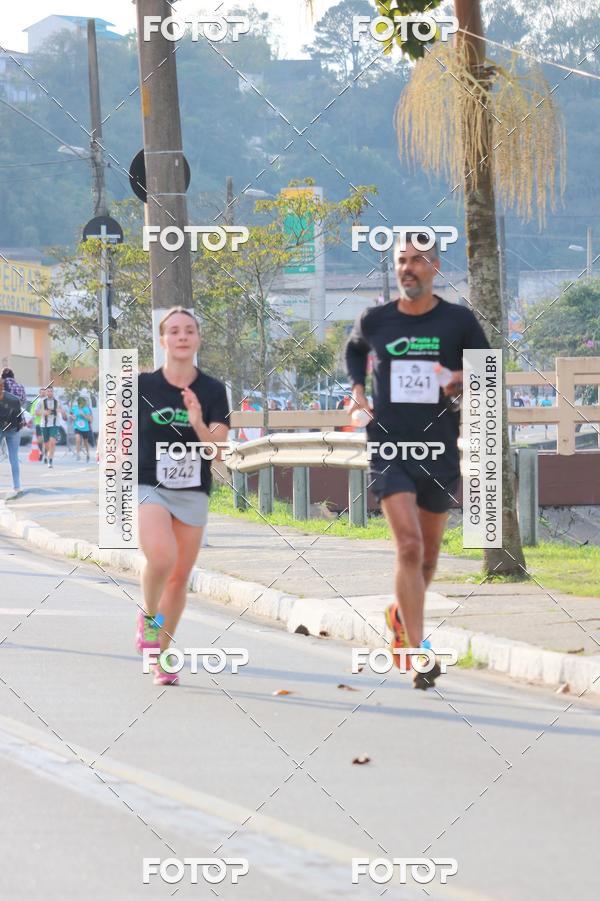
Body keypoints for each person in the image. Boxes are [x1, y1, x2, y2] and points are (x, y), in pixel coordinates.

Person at [345, 233, 489, 690]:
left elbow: (489, 367)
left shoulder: (458, 321)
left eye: (418, 261)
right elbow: (354, 351)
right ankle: (418, 650)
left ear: (435, 269)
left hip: (439, 448)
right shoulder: (376, 319)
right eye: (402, 261)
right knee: (407, 547)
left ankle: (401, 615)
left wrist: (460, 377)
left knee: (427, 558)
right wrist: (358, 391)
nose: (408, 268)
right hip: (390, 448)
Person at [136, 307, 230, 685]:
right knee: (162, 556)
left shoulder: (212, 390)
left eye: (189, 330)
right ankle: (148, 618)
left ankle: (163, 654)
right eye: (173, 331)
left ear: (198, 339)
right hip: (149, 484)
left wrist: (196, 423)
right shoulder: (142, 386)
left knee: (178, 578)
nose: (182, 336)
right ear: (162, 340)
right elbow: (117, 428)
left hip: (192, 489)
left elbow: (217, 450)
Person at [0, 377, 23, 499]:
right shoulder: (14, 399)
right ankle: (17, 487)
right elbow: (20, 418)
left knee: (14, 459)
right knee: (14, 459)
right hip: (14, 430)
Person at [35, 386, 65, 468]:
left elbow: (63, 411)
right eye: (48, 391)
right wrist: (43, 412)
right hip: (44, 424)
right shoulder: (41, 401)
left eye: (51, 391)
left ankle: (50, 461)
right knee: (46, 443)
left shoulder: (58, 401)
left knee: (52, 442)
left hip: (55, 424)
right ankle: (45, 455)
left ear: (53, 392)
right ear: (46, 392)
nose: (49, 393)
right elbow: (36, 412)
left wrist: (62, 412)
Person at [70, 395, 92, 461]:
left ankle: (88, 454)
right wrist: (73, 417)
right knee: (78, 440)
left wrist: (83, 415)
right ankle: (78, 454)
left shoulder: (86, 409)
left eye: (82, 403)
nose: (80, 405)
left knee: (85, 442)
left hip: (85, 428)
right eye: (79, 403)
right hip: (77, 427)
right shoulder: (74, 408)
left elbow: (89, 419)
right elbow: (71, 415)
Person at [30, 388, 46, 462]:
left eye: (44, 392)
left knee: (46, 440)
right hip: (38, 423)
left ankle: (45, 454)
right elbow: (32, 413)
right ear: (39, 393)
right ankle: (42, 452)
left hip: (47, 424)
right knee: (40, 440)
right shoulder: (36, 402)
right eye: (41, 392)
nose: (43, 393)